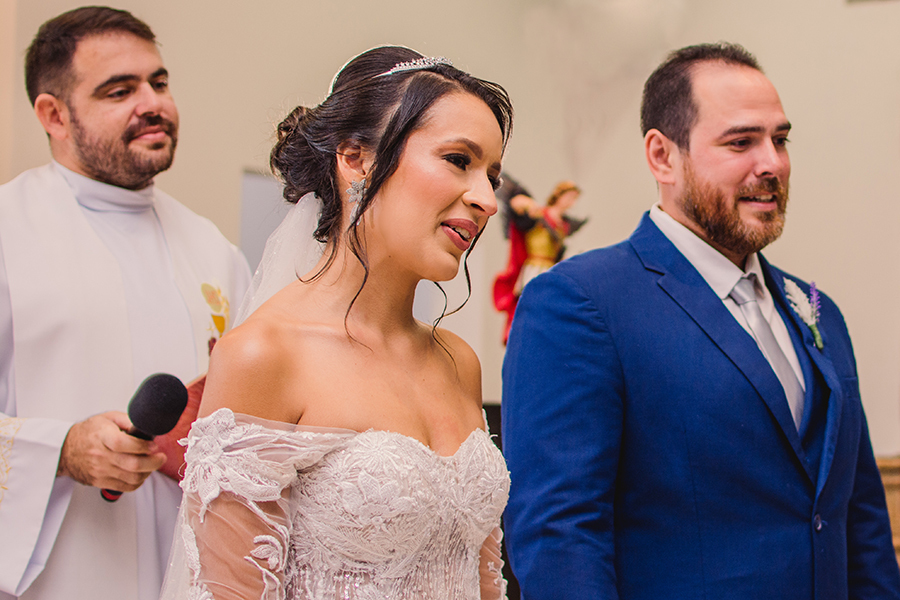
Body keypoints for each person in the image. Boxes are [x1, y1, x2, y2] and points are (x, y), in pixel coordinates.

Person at [501, 42, 900, 599]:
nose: (773, 164)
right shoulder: (580, 303)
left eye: (780, 140)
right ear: (663, 155)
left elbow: (859, 520)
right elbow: (559, 534)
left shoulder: (819, 312)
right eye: (742, 142)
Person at [158, 46, 514, 600]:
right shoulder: (264, 355)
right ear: (355, 158)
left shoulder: (457, 362)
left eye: (492, 175)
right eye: (458, 160)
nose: (487, 200)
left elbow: (483, 575)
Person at [0, 7, 251, 600]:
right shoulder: (9, 234)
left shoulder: (213, 251)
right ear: (54, 115)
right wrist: (60, 449)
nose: (152, 103)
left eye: (158, 83)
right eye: (120, 90)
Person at [493, 178, 586, 343]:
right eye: (569, 197)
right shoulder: (539, 214)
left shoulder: (562, 224)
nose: (571, 202)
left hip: (551, 268)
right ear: (560, 195)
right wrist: (524, 204)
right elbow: (517, 206)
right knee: (531, 304)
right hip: (535, 267)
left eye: (574, 199)